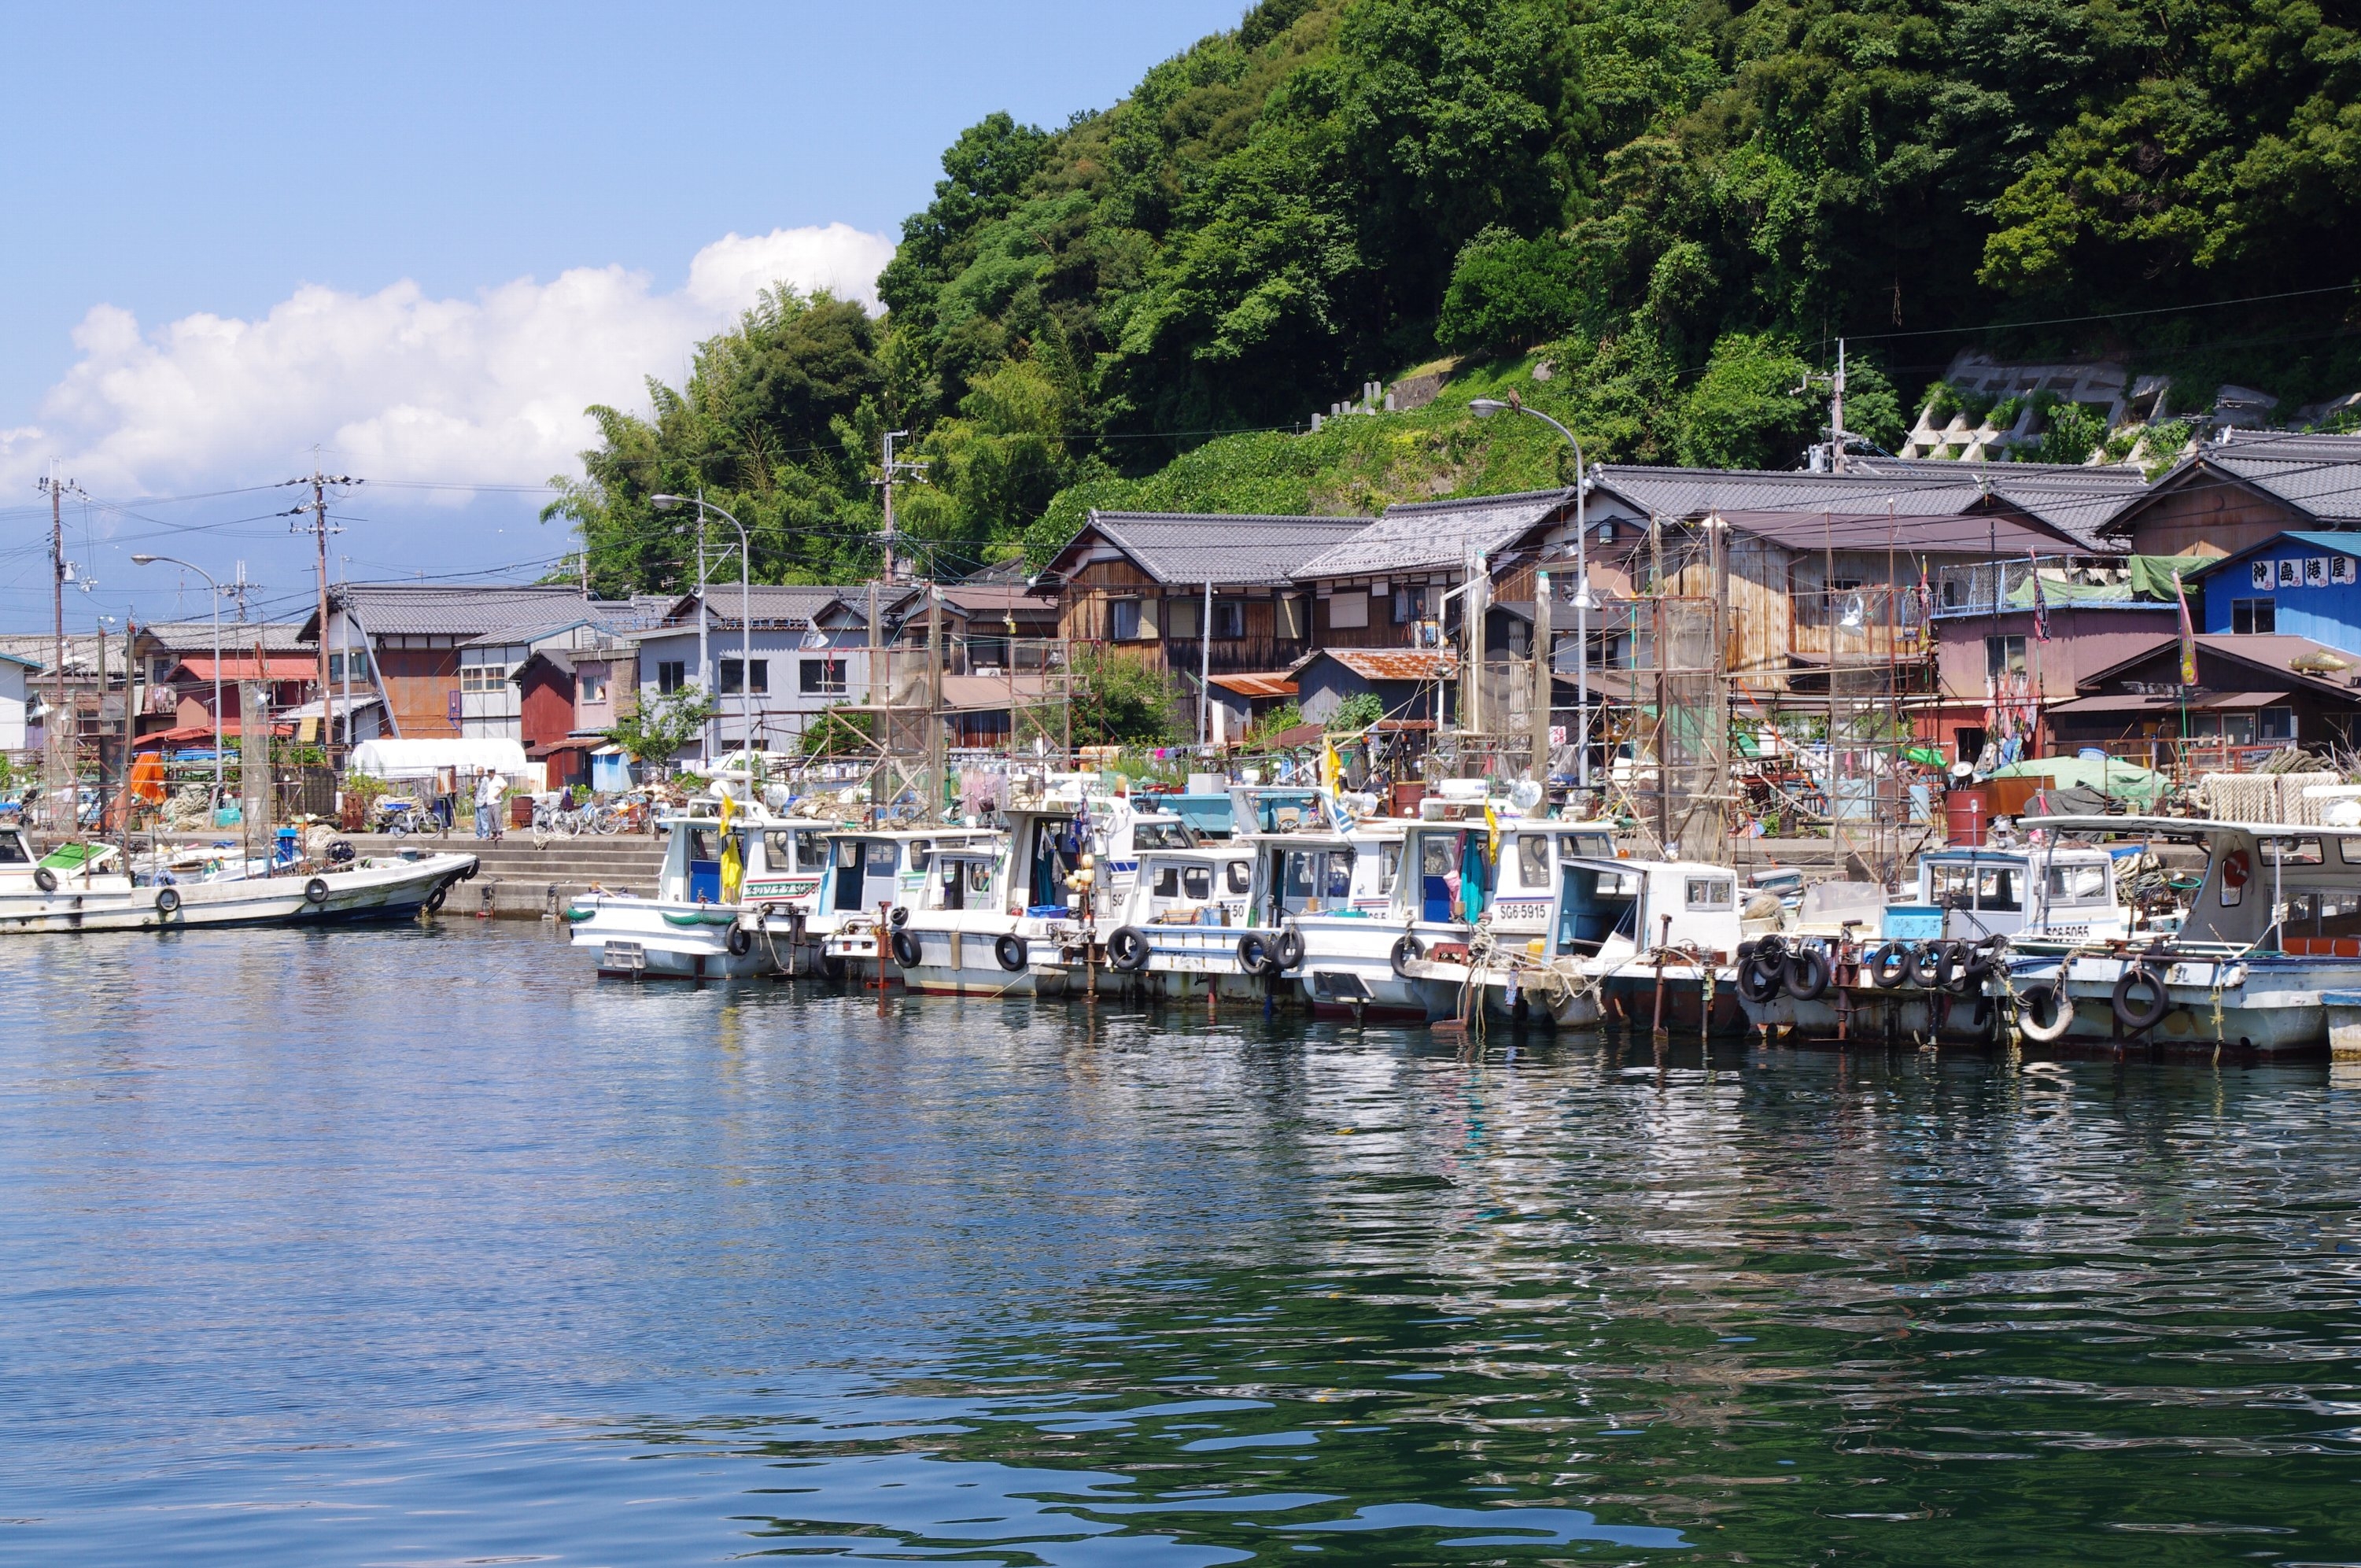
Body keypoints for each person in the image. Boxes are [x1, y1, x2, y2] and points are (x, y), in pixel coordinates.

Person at [478, 767, 508, 842]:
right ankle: (494, 833)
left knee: (497, 818)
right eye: (489, 772)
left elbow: (505, 786)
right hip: (489, 802)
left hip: (496, 802)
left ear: (494, 772)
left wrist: (498, 794)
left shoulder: (498, 778)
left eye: (492, 771)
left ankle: (499, 833)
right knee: (490, 819)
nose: (490, 773)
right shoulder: (488, 780)